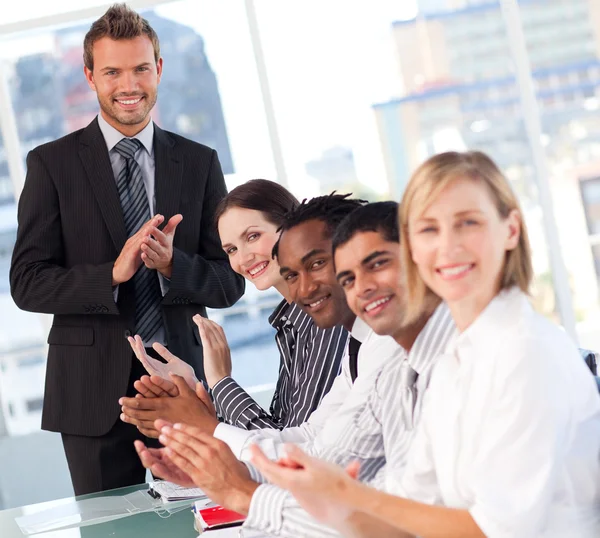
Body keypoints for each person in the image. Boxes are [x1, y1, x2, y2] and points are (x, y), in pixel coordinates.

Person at [249, 151, 600, 537]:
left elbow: (493, 531)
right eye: (429, 230)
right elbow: (410, 503)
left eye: (467, 223)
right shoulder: (455, 359)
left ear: (511, 230)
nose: (447, 247)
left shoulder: (525, 352)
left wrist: (346, 496)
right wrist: (331, 504)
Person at [9, 4, 244, 496]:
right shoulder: (50, 165)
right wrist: (111, 275)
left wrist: (172, 266)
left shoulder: (200, 163)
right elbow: (26, 283)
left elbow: (231, 281)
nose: (128, 84)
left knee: (199, 516)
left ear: (158, 69)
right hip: (90, 393)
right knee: (104, 530)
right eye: (112, 71)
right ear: (91, 76)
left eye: (140, 68)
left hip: (182, 385)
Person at [149, 201, 455, 538]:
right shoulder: (350, 339)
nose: (306, 288)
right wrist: (221, 463)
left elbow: (340, 469)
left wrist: (215, 426)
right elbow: (316, 443)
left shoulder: (387, 347)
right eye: (232, 249)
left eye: (253, 236)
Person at [118, 179, 348, 435]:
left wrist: (221, 381)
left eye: (253, 236)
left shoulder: (327, 319)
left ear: (292, 227)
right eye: (231, 249)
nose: (243, 258)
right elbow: (277, 433)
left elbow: (293, 449)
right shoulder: (292, 322)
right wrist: (196, 388)